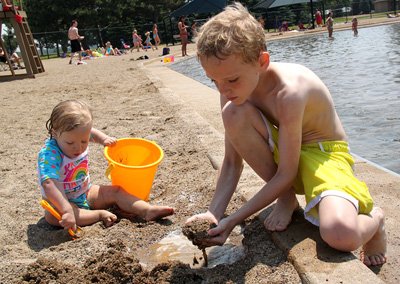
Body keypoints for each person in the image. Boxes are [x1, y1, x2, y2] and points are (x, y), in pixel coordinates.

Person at [186, 3, 386, 267]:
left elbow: (287, 173)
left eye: (232, 80)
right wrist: (214, 215)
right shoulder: (230, 91)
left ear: (261, 61)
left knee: (340, 234)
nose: (224, 89)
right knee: (232, 113)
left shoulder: (290, 92)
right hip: (286, 153)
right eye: (214, 81)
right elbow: (233, 162)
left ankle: (377, 220)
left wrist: (233, 220)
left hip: (324, 156)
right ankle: (287, 197)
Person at [38, 100, 174, 232]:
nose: (78, 148)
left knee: (116, 191)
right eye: (70, 143)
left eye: (84, 141)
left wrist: (103, 139)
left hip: (85, 193)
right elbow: (50, 183)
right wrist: (66, 208)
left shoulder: (78, 135)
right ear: (54, 134)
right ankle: (98, 215)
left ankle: (146, 210)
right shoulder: (50, 154)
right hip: (62, 201)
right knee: (53, 216)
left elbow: (91, 133)